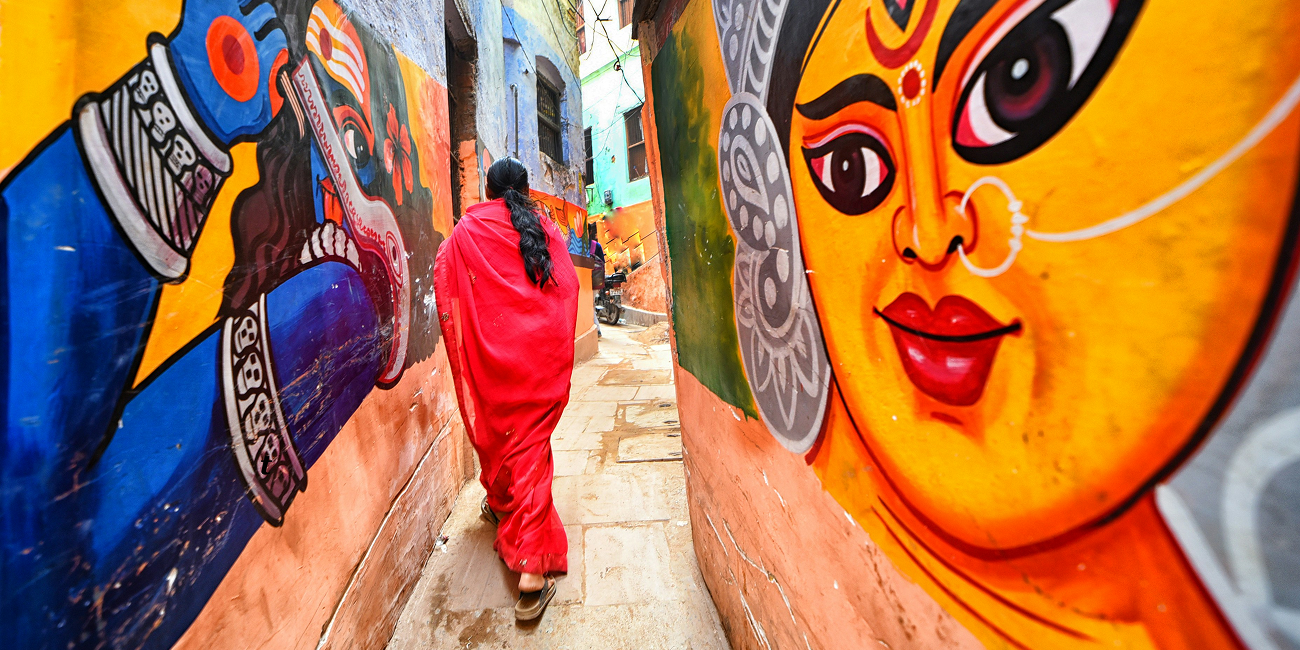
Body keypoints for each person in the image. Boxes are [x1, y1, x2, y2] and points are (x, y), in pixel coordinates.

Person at [434, 157, 579, 621]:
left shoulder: (467, 231)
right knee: (531, 451)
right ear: (525, 188)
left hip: (497, 363)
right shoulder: (543, 226)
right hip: (539, 360)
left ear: (488, 189)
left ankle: (529, 564)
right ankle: (529, 569)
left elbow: (446, 281)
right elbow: (568, 285)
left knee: (511, 445)